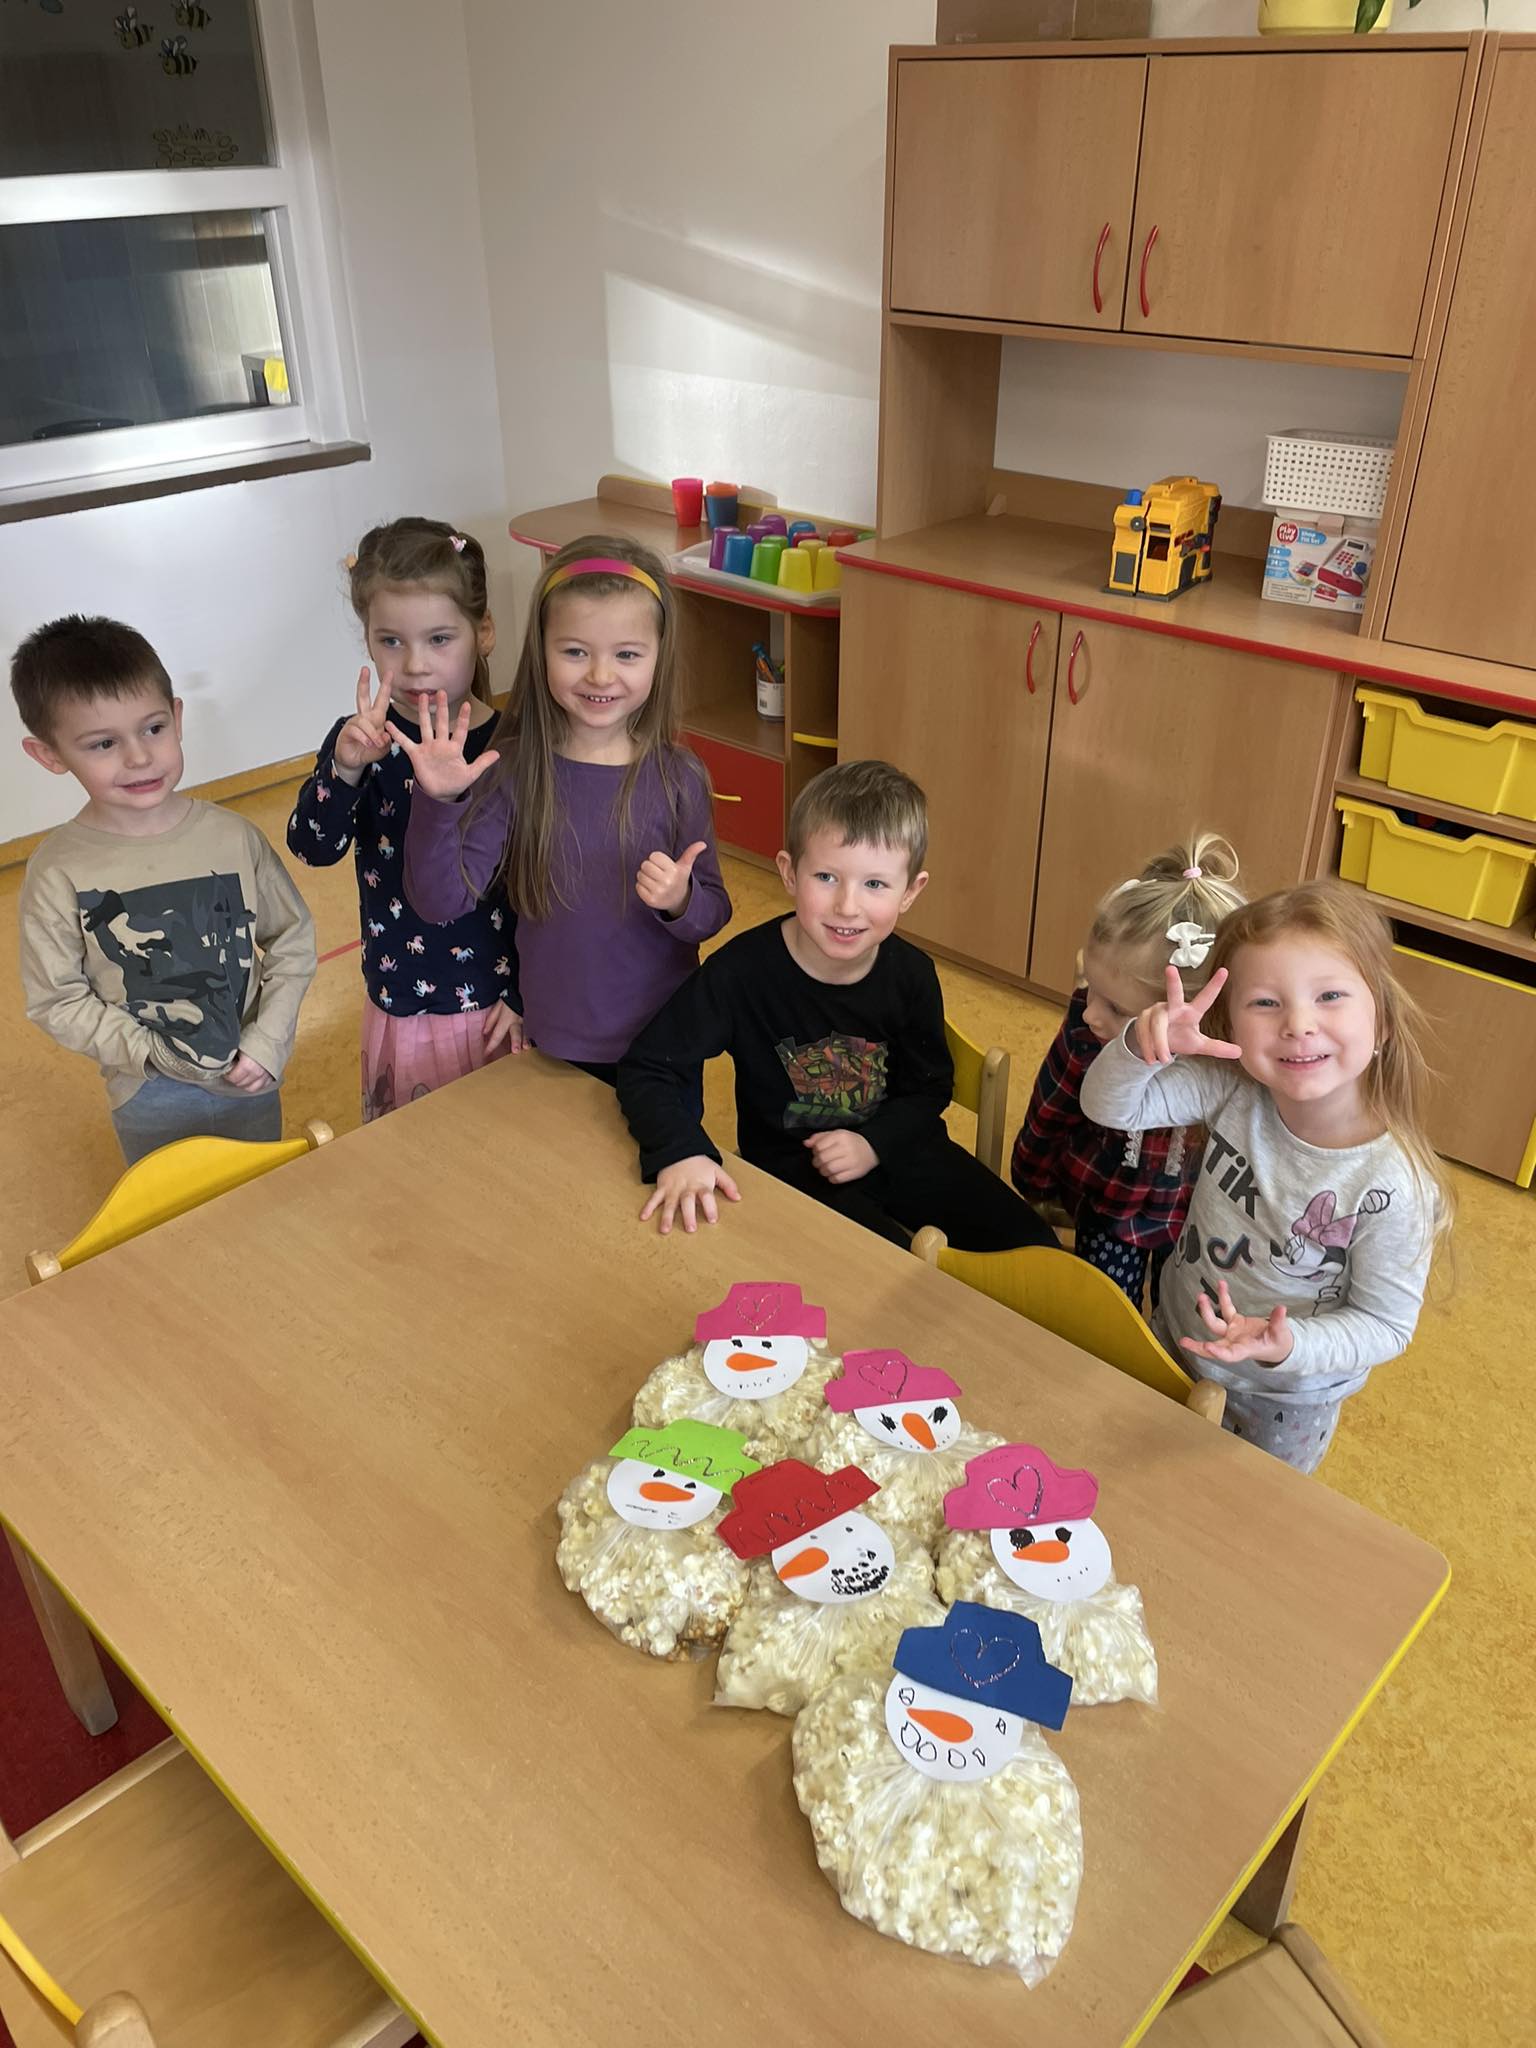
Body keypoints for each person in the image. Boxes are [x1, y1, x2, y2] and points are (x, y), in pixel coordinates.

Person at [1080, 881, 1454, 1471]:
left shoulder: (1393, 1186)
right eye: (1264, 1003)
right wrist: (1140, 1045)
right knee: (1138, 1470)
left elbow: (1385, 1325)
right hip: (1177, 1335)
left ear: (1382, 1022)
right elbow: (1108, 1106)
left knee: (1243, 1514)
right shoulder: (1234, 1087)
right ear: (1230, 1024)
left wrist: (1287, 1346)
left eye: (1329, 995)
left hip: (1284, 1399)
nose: (1298, 1024)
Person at [618, 757, 1056, 1252]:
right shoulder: (741, 972)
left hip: (897, 1145)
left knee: (1034, 1248)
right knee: (883, 1276)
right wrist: (680, 1150)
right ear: (789, 873)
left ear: (910, 892)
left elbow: (928, 1088)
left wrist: (872, 1144)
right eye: (826, 877)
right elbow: (649, 1066)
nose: (847, 906)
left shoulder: (911, 975)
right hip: (791, 1171)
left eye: (875, 884)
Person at [399, 537, 729, 1084]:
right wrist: (438, 801)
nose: (600, 675)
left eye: (627, 654)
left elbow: (712, 913)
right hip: (555, 1038)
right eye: (575, 651)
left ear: (659, 655)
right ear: (541, 651)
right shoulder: (513, 769)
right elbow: (439, 902)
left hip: (666, 1040)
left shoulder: (681, 777)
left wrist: (680, 901)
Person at [13, 614, 315, 1163]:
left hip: (251, 1075)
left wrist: (268, 1041)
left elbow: (292, 940)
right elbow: (58, 999)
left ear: (177, 717)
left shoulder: (235, 837)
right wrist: (150, 1054)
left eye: (153, 728)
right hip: (147, 1093)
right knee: (168, 1205)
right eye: (103, 743)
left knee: (263, 1192)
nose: (138, 757)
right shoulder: (57, 871)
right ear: (49, 754)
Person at [287, 518, 521, 1121]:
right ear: (368, 640)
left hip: (497, 1005)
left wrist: (526, 994)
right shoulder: (363, 743)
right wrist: (344, 770)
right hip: (401, 1000)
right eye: (391, 641)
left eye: (439, 639)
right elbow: (312, 846)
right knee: (411, 1154)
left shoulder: (511, 746)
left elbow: (542, 889)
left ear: (483, 632)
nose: (415, 665)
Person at [1010, 833, 1244, 1306]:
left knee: (1179, 1312)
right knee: (1104, 1312)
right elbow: (1051, 1106)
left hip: (1196, 1220)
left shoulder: (1222, 1065)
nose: (1091, 1013)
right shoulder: (1086, 1030)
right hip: (1108, 1209)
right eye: (1090, 988)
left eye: (1116, 1008)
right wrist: (1032, 1177)